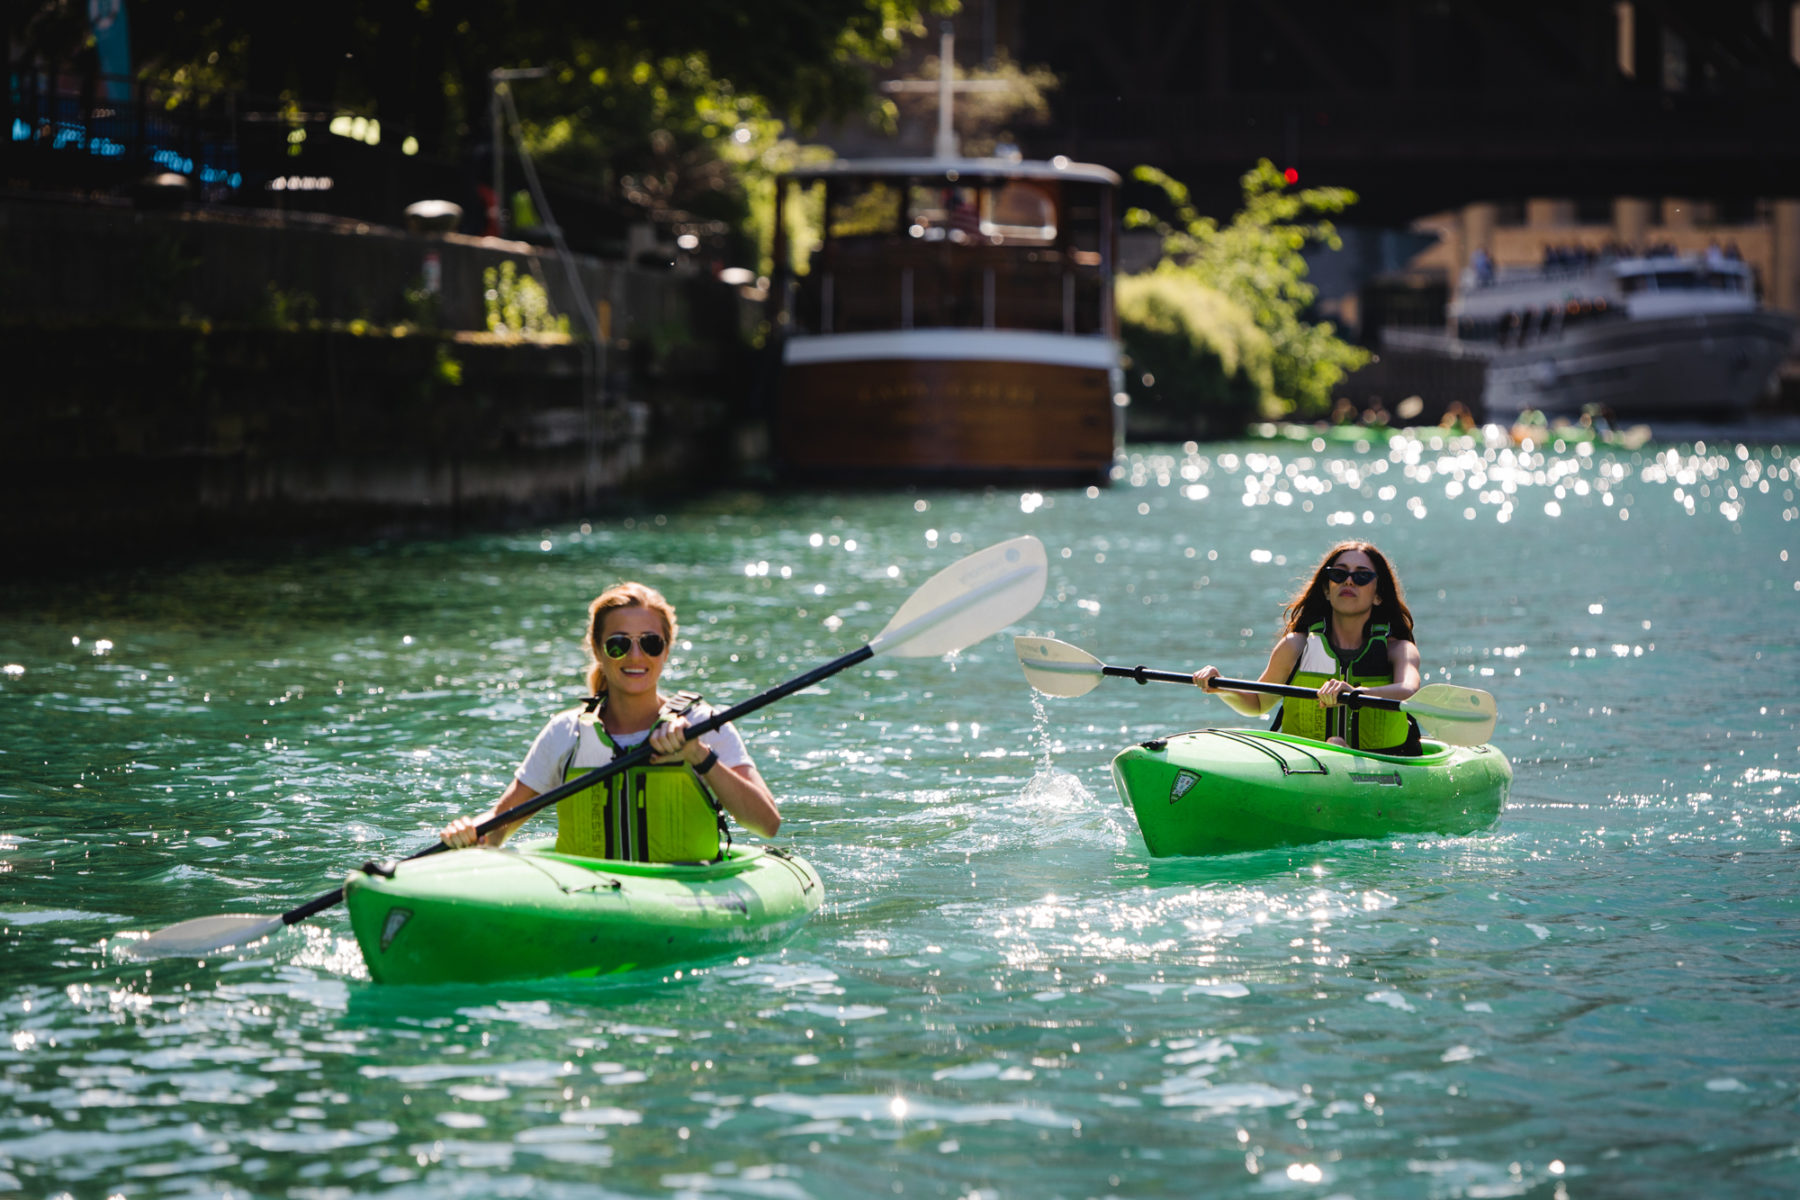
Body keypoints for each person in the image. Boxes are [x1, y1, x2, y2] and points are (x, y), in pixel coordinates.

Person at [441, 582, 780, 859]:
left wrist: (699, 756)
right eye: (619, 644)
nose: (636, 656)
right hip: (590, 899)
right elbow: (499, 826)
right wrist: (470, 832)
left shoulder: (705, 724)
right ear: (598, 649)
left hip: (685, 899)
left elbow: (767, 823)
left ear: (666, 649)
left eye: (650, 643)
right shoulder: (566, 733)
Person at [1192, 543, 1423, 755]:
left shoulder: (1400, 650)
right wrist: (1221, 686)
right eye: (1338, 574)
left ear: (1378, 596)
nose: (1349, 581)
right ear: (1326, 590)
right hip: (1304, 764)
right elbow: (1257, 703)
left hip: (1386, 764)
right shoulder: (1295, 646)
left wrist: (1353, 694)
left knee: (1337, 747)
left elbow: (1409, 690)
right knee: (1334, 747)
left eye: (1362, 576)